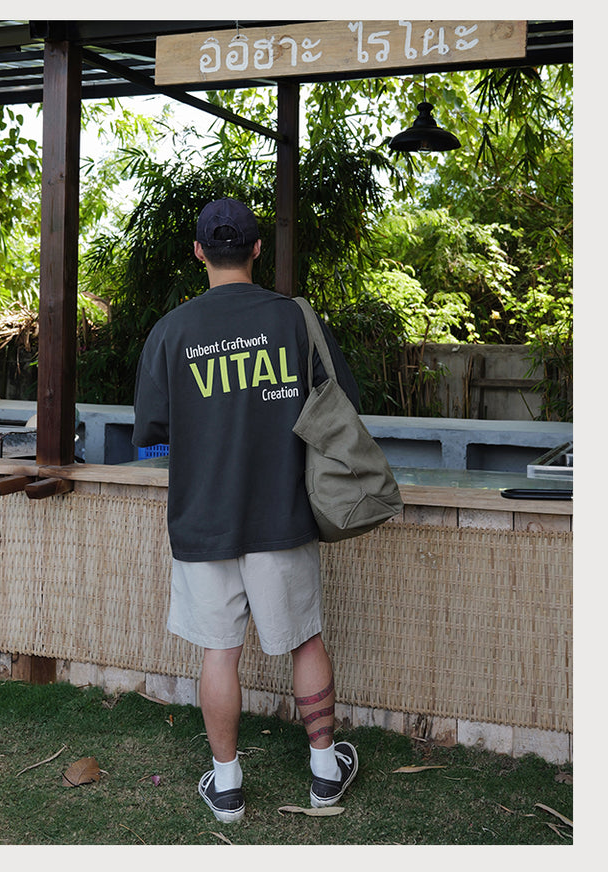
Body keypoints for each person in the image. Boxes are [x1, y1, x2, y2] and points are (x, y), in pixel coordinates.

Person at [132, 198, 360, 823]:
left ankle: (228, 785)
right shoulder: (295, 319)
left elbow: (152, 435)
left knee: (219, 651)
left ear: (199, 252)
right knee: (305, 639)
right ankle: (324, 772)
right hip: (281, 513)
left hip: (203, 518)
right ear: (258, 249)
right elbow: (341, 403)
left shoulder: (171, 331)